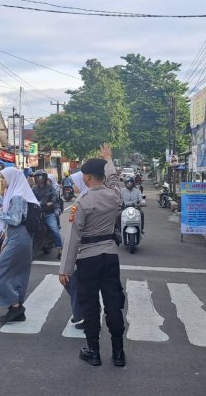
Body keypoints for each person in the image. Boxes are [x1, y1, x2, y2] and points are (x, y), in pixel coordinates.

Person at [59, 144, 126, 367]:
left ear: (87, 178)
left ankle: (94, 353)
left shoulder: (82, 203)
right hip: (110, 256)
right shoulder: (114, 196)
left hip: (88, 259)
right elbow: (114, 179)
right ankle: (118, 354)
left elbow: (72, 239)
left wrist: (65, 270)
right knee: (114, 304)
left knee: (90, 307)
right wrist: (108, 159)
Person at [0, 167, 39, 323]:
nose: (1, 181)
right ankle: (15, 309)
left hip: (19, 237)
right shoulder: (14, 194)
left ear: (11, 179)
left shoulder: (17, 196)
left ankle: (17, 307)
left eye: (3, 178)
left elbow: (15, 220)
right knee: (15, 273)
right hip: (16, 236)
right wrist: (5, 241)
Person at [31, 170, 63, 258]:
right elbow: (30, 196)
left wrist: (51, 202)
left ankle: (60, 250)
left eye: (41, 177)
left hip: (48, 212)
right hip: (37, 212)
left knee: (54, 230)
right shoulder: (34, 188)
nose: (39, 179)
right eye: (37, 177)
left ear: (45, 178)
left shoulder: (50, 187)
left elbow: (54, 196)